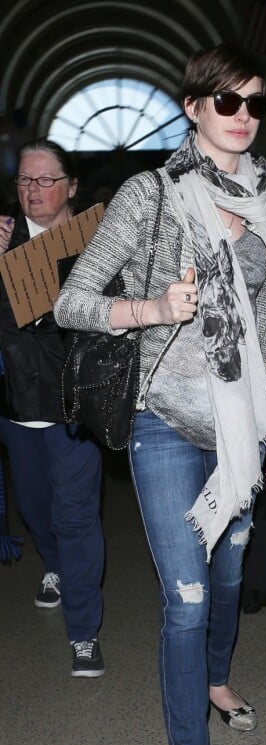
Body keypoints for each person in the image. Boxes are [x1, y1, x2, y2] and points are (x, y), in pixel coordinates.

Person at [54, 43, 266, 745]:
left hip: (246, 425)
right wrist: (153, 309)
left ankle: (219, 682)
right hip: (166, 421)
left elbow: (265, 315)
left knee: (230, 573)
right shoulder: (150, 194)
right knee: (187, 599)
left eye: (254, 104)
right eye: (225, 102)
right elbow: (70, 301)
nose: (242, 118)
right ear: (193, 106)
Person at [0, 139, 106, 676]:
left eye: (45, 180)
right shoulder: (3, 241)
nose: (33, 191)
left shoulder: (98, 240)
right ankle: (55, 567)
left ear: (70, 186)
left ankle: (84, 633)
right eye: (24, 180)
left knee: (75, 517)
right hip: (17, 406)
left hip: (73, 409)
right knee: (37, 512)